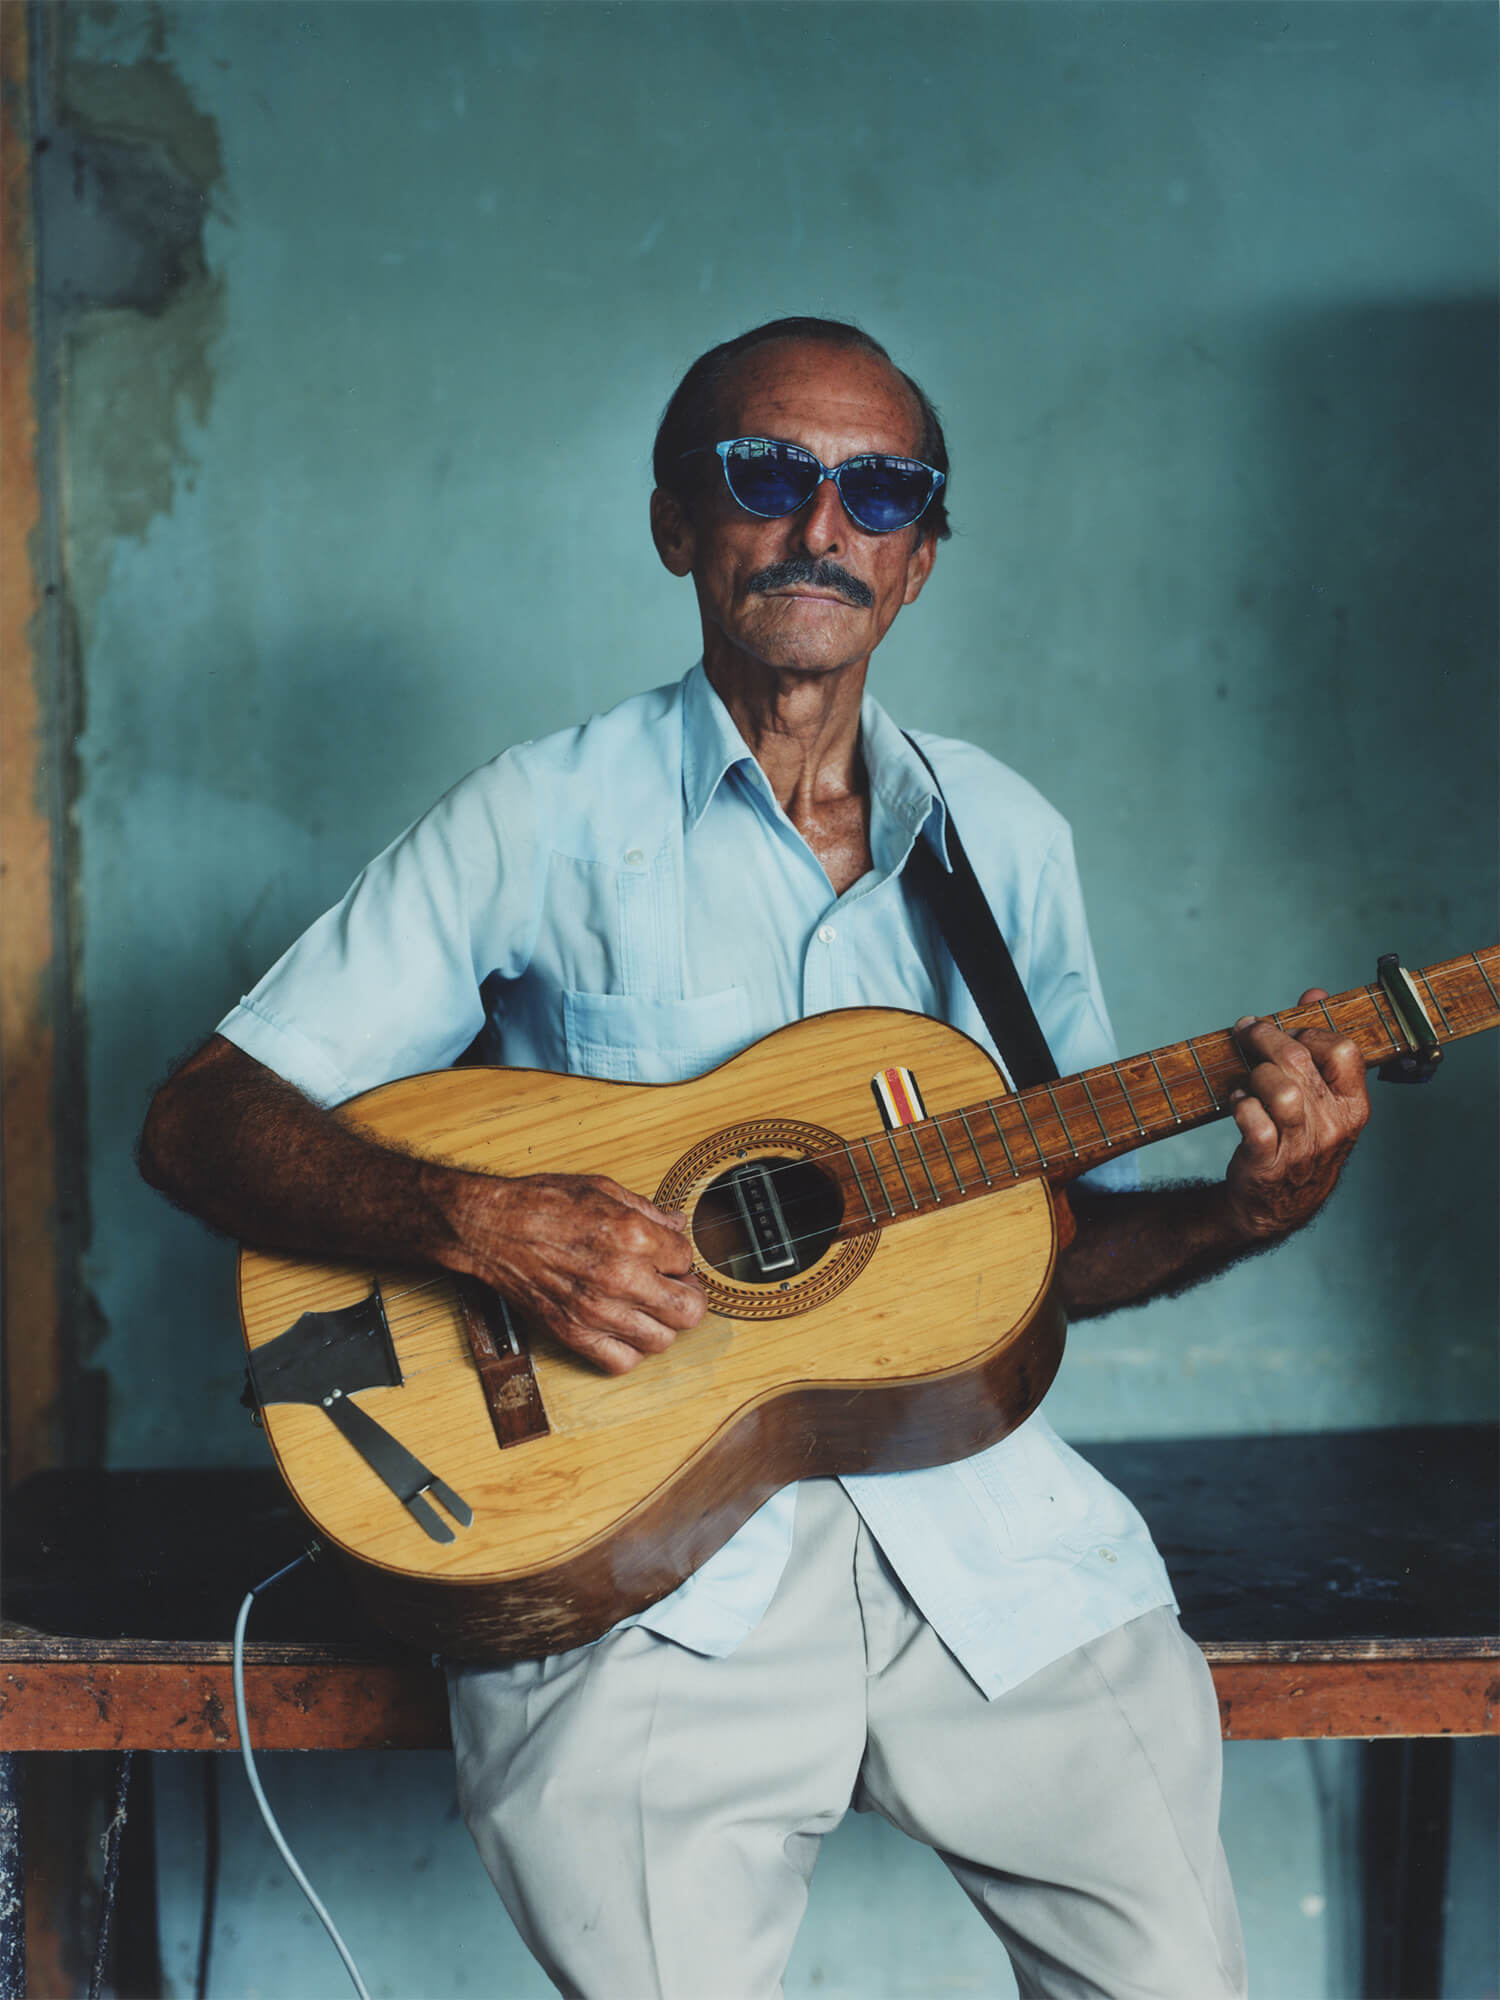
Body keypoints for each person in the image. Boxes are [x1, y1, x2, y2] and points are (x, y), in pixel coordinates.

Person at [140, 316, 1370, 2000]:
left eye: (880, 493)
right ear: (677, 524)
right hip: (639, 1562)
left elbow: (1051, 1251)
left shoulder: (1001, 843)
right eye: (766, 475)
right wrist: (481, 1221)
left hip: (985, 1542)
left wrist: (1253, 1206)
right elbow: (202, 1117)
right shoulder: (540, 816)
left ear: (922, 558)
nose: (823, 526)